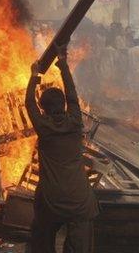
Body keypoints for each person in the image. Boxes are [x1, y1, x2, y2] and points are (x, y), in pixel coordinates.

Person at [25, 45, 98, 253]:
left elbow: (29, 102)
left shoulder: (43, 126)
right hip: (79, 200)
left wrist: (34, 76)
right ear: (64, 105)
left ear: (43, 108)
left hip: (51, 200)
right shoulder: (75, 120)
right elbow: (72, 93)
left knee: (40, 234)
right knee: (81, 241)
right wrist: (63, 63)